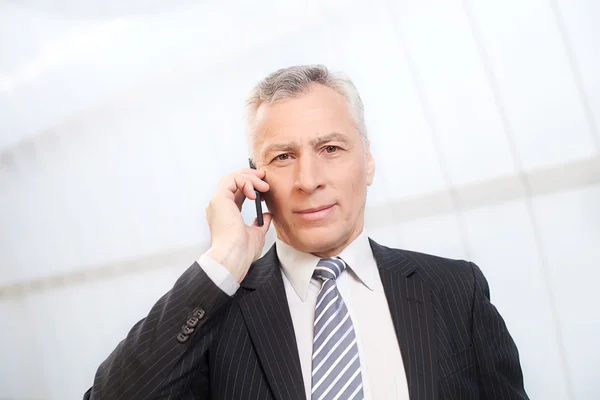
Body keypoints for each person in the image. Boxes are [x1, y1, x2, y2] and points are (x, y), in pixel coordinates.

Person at [83, 64, 529, 400]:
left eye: (331, 148)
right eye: (282, 157)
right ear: (256, 179)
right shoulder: (218, 311)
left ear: (367, 161)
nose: (308, 179)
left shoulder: (455, 290)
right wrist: (224, 261)